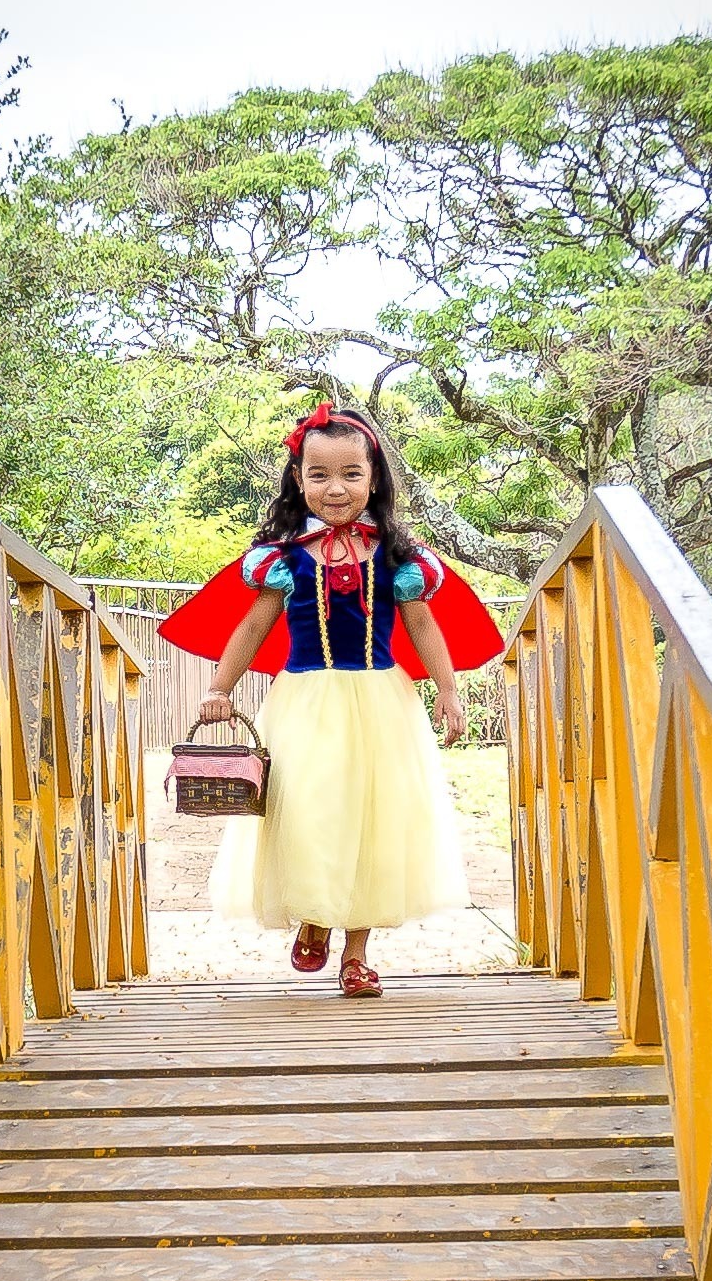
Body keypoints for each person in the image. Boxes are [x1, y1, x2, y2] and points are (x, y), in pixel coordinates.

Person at [157, 401, 503, 997]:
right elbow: (251, 628)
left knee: (376, 820)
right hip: (306, 702)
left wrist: (448, 692)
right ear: (298, 478)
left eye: (351, 474)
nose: (335, 488)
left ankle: (357, 952)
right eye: (319, 474)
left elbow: (423, 628)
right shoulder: (284, 560)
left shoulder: (398, 559)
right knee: (310, 809)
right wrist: (219, 688)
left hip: (381, 703)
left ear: (374, 479)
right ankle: (314, 920)